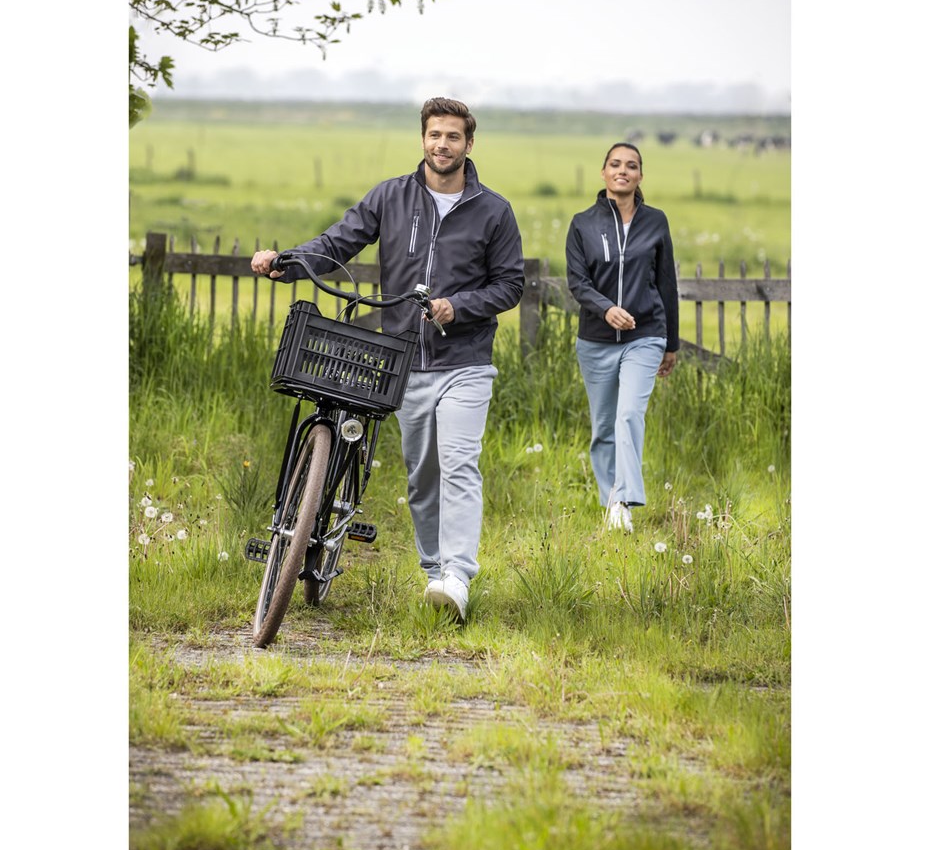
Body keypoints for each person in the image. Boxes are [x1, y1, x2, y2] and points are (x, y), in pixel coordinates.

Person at [252, 98, 524, 620]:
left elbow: (510, 284)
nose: (442, 144)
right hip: (405, 361)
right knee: (422, 475)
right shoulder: (391, 197)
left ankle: (457, 577)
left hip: (466, 360)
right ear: (423, 139)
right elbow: (337, 244)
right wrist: (286, 263)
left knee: (459, 464)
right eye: (434, 134)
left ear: (469, 144)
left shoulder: (494, 210)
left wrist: (458, 306)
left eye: (453, 136)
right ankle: (434, 572)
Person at [565, 142, 679, 533]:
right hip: (595, 340)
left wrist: (671, 343)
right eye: (615, 164)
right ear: (604, 172)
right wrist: (605, 309)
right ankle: (612, 500)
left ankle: (624, 500)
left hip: (645, 335)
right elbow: (578, 282)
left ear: (640, 176)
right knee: (603, 427)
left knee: (629, 415)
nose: (623, 171)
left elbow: (666, 282)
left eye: (631, 166)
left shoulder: (656, 221)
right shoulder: (583, 223)